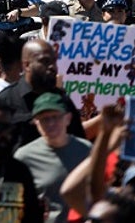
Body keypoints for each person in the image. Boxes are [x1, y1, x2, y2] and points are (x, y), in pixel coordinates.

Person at [13, 92, 92, 223]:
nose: (51, 123)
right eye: (44, 119)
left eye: (56, 117)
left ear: (68, 118)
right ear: (35, 122)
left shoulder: (87, 150)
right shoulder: (23, 156)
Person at [0, 39, 84, 145]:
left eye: (54, 61)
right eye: (45, 61)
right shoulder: (4, 102)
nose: (52, 67)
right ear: (26, 65)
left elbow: (78, 145)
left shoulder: (63, 100)